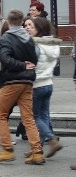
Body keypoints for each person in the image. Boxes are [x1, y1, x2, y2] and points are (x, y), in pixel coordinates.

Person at [0, 10, 44, 165]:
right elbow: (34, 58)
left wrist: (21, 65)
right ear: (21, 22)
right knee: (28, 117)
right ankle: (37, 151)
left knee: (0, 114)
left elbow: (5, 59)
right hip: (27, 81)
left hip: (12, 80)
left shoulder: (5, 38)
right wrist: (27, 66)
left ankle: (7, 149)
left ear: (7, 21)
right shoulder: (28, 38)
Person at [25, 17, 62, 158]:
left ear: (39, 29)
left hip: (37, 84)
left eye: (32, 26)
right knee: (44, 115)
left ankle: (52, 140)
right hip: (48, 84)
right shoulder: (52, 44)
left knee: (35, 117)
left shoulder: (37, 46)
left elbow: (31, 64)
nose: (28, 28)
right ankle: (37, 147)